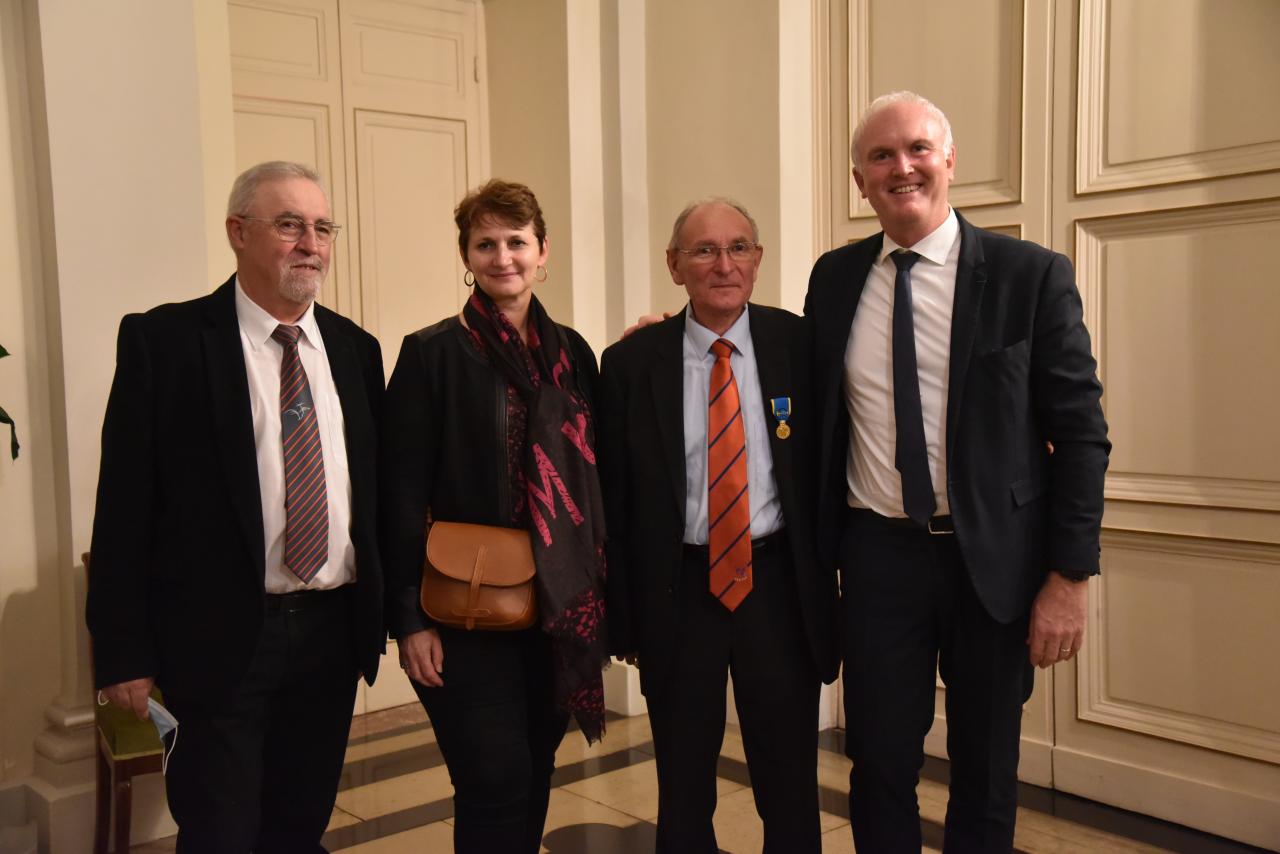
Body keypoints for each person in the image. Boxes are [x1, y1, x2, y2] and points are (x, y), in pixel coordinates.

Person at [805, 91, 1111, 851]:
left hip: (995, 567)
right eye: (880, 155)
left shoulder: (1029, 276)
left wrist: (1068, 579)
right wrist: (673, 339)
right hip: (878, 558)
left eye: (916, 149)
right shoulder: (834, 279)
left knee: (985, 769)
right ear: (859, 180)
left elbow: (1082, 436)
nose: (900, 167)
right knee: (876, 765)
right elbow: (796, 385)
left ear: (948, 162)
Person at [85, 161, 386, 852]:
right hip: (217, 642)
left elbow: (371, 494)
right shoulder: (165, 343)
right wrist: (123, 652)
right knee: (220, 832)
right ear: (237, 233)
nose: (310, 243)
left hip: (331, 634)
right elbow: (124, 509)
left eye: (321, 227)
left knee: (299, 825)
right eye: (288, 225)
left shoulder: (355, 350)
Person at [599, 198, 839, 852]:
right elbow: (614, 503)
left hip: (777, 586)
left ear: (758, 261)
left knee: (789, 782)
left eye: (738, 248)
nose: (723, 264)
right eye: (703, 251)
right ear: (675, 266)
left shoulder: (802, 346)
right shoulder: (628, 365)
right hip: (679, 593)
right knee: (682, 786)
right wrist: (624, 616)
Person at [381, 179, 608, 853]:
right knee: (493, 774)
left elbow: (598, 475)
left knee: (537, 766)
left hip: (556, 603)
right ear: (466, 256)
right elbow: (395, 493)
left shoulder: (574, 355)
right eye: (485, 243)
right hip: (464, 605)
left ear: (543, 254)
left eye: (516, 242)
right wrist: (409, 619)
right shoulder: (432, 354)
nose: (502, 256)